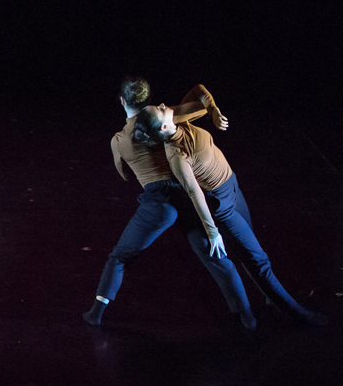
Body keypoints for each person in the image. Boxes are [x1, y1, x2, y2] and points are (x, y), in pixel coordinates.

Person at [133, 92, 328, 326]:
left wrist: (213, 110)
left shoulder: (178, 119)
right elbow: (195, 194)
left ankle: (270, 296)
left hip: (232, 186)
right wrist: (213, 232)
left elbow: (200, 92)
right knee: (258, 260)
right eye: (161, 108)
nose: (165, 105)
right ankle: (298, 315)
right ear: (164, 126)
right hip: (221, 205)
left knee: (252, 252)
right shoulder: (177, 156)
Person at [84, 79, 254, 329]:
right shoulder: (168, 117)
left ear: (122, 101)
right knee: (214, 255)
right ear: (146, 100)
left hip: (158, 204)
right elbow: (201, 105)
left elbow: (124, 174)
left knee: (120, 257)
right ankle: (246, 315)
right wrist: (214, 110)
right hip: (186, 197)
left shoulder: (119, 139)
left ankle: (96, 313)